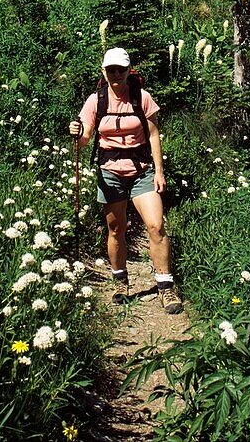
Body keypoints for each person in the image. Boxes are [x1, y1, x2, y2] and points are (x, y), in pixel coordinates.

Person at [69, 46, 183, 314]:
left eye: (121, 70)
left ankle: (165, 286)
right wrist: (77, 131)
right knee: (115, 229)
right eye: (111, 70)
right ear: (104, 72)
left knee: (156, 226)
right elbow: (85, 139)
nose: (116, 75)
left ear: (129, 70)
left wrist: (159, 171)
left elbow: (154, 135)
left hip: (142, 170)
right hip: (110, 172)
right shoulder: (95, 101)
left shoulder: (142, 98)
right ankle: (120, 281)